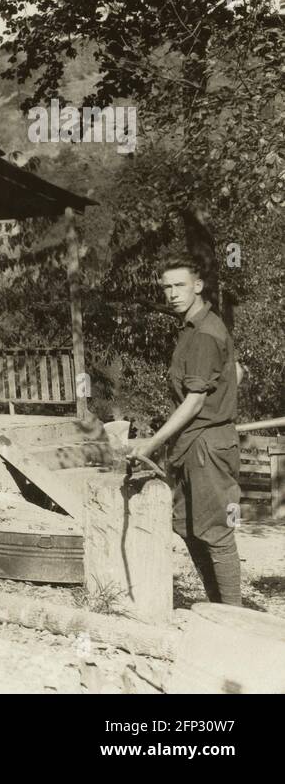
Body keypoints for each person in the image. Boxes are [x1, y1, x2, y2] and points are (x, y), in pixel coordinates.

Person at [127, 255, 242, 605]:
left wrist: (150, 444)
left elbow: (193, 403)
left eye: (180, 285)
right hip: (191, 443)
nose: (172, 294)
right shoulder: (193, 328)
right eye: (166, 287)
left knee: (216, 533)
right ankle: (215, 607)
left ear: (198, 286)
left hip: (208, 446)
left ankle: (233, 618)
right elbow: (236, 370)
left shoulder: (205, 332)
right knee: (187, 526)